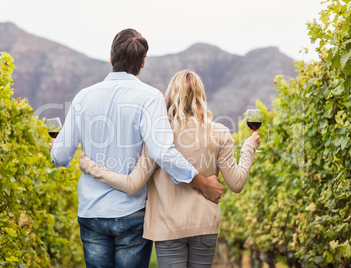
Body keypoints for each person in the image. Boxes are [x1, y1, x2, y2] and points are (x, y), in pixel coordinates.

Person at [49, 29, 223, 268]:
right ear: (142, 63)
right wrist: (203, 183)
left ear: (111, 59)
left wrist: (56, 148)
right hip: (132, 214)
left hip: (92, 212)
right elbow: (163, 153)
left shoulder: (82, 97)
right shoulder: (150, 97)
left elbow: (59, 156)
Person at [79, 70, 261, 267]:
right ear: (202, 96)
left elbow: (132, 185)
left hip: (167, 228)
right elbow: (237, 183)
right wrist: (249, 147)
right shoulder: (219, 133)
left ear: (171, 95)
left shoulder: (157, 136)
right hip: (205, 226)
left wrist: (90, 166)